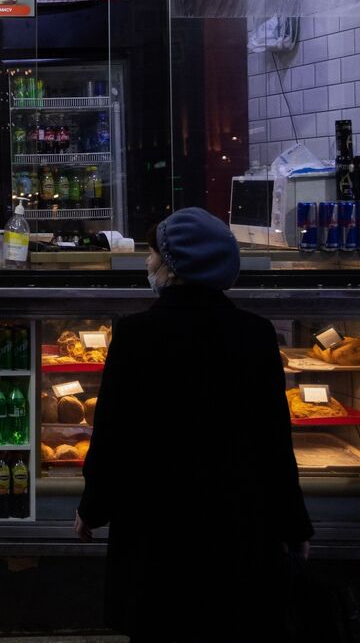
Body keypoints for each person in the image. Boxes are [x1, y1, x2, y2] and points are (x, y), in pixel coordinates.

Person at [76, 207, 312, 642]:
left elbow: (113, 436)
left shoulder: (135, 335)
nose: (149, 264)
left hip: (156, 534)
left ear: (173, 267)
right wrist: (294, 526)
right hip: (238, 531)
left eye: (154, 256)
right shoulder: (257, 335)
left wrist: (93, 507)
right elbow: (274, 444)